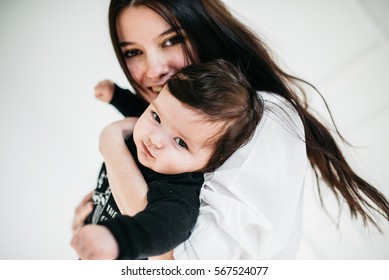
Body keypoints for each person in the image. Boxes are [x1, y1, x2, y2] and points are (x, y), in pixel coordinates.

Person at [72, 0, 389, 259]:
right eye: (133, 52)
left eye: (172, 40)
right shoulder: (169, 115)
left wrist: (111, 143)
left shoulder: (260, 115)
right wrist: (95, 219)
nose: (154, 69)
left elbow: (179, 263)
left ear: (202, 29)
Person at [71, 59, 263, 260]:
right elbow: (138, 109)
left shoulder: (179, 187)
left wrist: (117, 238)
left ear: (212, 161)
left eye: (180, 142)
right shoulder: (149, 131)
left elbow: (167, 227)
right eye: (156, 117)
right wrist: (116, 95)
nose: (155, 139)